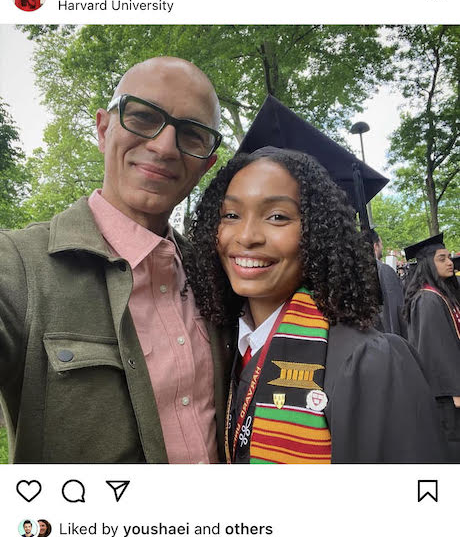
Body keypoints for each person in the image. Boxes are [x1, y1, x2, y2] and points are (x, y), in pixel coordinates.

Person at [0, 57, 234, 463]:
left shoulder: (216, 276)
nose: (164, 146)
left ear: (206, 165)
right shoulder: (19, 265)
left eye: (192, 135)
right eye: (143, 118)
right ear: (103, 128)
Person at [186, 147, 446, 463]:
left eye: (277, 216)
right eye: (231, 215)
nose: (247, 236)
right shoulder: (226, 349)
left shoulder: (369, 362)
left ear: (318, 233)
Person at [403, 234, 460, 461]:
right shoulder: (428, 299)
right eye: (442, 258)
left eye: (449, 257)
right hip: (447, 395)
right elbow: (436, 349)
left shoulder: (441, 294)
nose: (450, 262)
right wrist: (455, 390)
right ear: (428, 264)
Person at [370, 229, 406, 336]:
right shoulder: (383, 270)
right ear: (375, 246)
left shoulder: (355, 272)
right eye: (381, 244)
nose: (382, 247)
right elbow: (393, 313)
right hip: (385, 338)